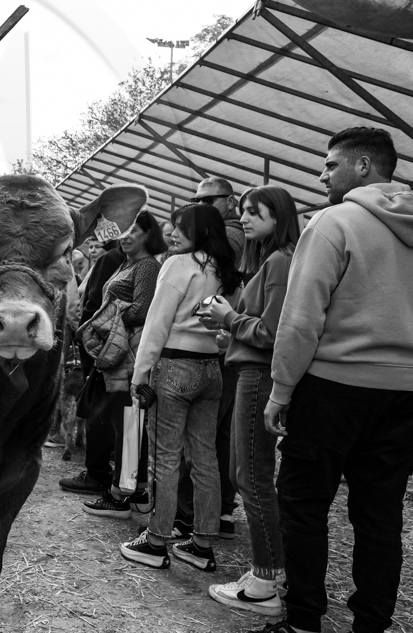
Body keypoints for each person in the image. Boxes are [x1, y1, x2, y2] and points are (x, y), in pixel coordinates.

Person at [259, 128, 413, 633]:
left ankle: (303, 621)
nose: (322, 175)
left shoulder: (333, 223)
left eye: (330, 165)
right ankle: (371, 624)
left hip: (335, 387)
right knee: (380, 513)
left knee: (303, 504)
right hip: (409, 391)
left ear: (363, 167)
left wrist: (281, 390)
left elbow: (301, 319)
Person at [120, 203, 241, 572]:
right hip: (211, 370)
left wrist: (140, 373)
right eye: (173, 227)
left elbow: (157, 321)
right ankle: (201, 544)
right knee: (204, 458)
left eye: (181, 228)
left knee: (166, 458)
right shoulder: (226, 271)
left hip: (173, 366)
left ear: (200, 230)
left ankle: (156, 540)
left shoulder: (179, 265)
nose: (174, 234)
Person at [200, 186, 300, 617]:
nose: (244, 217)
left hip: (257, 377)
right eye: (241, 211)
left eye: (253, 211)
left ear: (277, 216)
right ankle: (270, 572)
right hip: (251, 370)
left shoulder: (279, 261)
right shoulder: (268, 260)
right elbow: (259, 328)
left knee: (252, 476)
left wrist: (228, 318)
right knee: (248, 473)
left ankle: (266, 581)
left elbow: (273, 333)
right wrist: (230, 332)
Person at [79, 210, 167, 517]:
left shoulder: (146, 267)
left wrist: (103, 323)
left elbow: (142, 310)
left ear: (148, 235)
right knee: (128, 422)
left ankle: (120, 497)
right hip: (121, 351)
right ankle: (138, 491)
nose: (125, 236)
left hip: (129, 353)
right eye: (123, 231)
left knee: (128, 424)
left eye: (134, 231)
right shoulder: (129, 263)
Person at [178, 176, 247, 539]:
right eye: (196, 199)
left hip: (215, 346)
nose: (200, 205)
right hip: (234, 346)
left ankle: (189, 515)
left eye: (208, 200)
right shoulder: (243, 234)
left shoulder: (228, 238)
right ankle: (220, 510)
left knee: (199, 438)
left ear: (229, 201)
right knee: (220, 435)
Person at [59, 237, 126, 493]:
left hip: (101, 345)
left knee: (96, 406)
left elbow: (89, 303)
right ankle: (113, 473)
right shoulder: (139, 263)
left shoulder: (112, 260)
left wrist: (83, 334)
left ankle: (98, 474)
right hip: (113, 346)